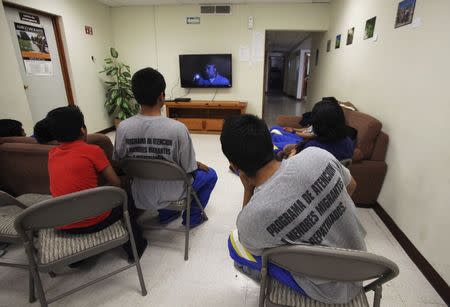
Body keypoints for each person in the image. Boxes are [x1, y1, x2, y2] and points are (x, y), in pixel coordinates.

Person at [220, 114, 366, 304]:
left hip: (323, 291)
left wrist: (248, 189)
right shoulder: (317, 155)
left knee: (236, 243)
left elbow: (249, 245)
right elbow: (352, 185)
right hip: (361, 266)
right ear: (269, 142)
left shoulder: (252, 217)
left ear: (235, 166)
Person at [113, 67, 218, 227]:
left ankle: (167, 215)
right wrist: (196, 164)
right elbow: (188, 168)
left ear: (135, 96)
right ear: (162, 96)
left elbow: (120, 162)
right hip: (175, 194)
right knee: (210, 174)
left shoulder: (123, 128)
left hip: (140, 194)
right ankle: (192, 219)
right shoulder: (178, 128)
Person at [46, 106, 147, 260]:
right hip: (93, 221)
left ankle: (77, 259)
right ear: (82, 130)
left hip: (63, 224)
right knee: (126, 198)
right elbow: (116, 183)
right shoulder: (92, 150)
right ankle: (136, 248)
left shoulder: (52, 154)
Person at [278, 97, 355, 161]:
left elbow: (294, 167)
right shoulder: (348, 142)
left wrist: (292, 155)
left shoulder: (312, 147)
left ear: (317, 123)